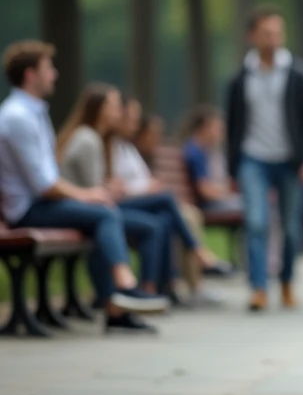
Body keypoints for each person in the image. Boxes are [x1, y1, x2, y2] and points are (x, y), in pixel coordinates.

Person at [0, 41, 169, 331]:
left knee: (104, 213)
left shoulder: (32, 113)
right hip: (27, 210)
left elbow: (48, 176)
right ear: (30, 75)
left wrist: (92, 195)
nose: (54, 74)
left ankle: (118, 305)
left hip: (38, 204)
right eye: (48, 69)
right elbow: (44, 185)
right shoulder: (18, 117)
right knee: (104, 213)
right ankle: (122, 290)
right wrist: (89, 195)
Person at [58, 84, 221, 306]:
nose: (119, 113)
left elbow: (96, 188)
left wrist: (110, 188)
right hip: (87, 208)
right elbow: (93, 192)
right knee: (153, 207)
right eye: (115, 107)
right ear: (100, 109)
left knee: (159, 220)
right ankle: (122, 295)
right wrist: (112, 189)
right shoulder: (89, 138)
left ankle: (151, 290)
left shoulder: (101, 139)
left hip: (93, 206)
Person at [225, 6, 303, 312]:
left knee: (291, 228)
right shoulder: (240, 78)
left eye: (278, 32)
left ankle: (287, 281)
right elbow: (232, 124)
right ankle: (258, 287)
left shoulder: (298, 74)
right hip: (253, 158)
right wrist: (233, 166)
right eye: (266, 33)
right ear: (251, 36)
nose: (273, 39)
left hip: (290, 161)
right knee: (256, 223)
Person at [112, 98, 230, 302]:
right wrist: (148, 187)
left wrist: (149, 185)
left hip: (139, 202)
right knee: (170, 205)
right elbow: (115, 185)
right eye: (131, 119)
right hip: (121, 204)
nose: (135, 125)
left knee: (165, 220)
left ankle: (162, 287)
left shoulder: (127, 148)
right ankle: (197, 255)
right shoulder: (115, 146)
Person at [183, 105, 243, 214]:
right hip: (207, 205)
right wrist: (226, 193)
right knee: (252, 206)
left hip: (212, 202)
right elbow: (205, 190)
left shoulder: (203, 150)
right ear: (205, 128)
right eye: (217, 128)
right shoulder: (195, 152)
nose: (222, 133)